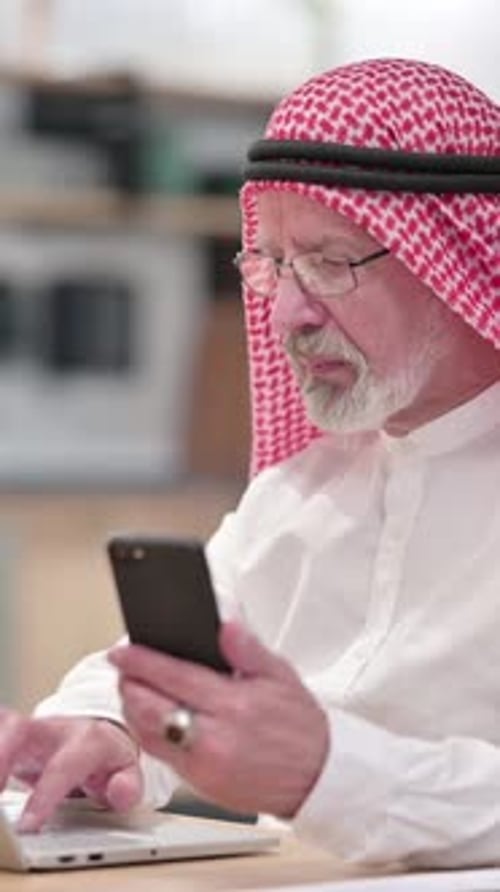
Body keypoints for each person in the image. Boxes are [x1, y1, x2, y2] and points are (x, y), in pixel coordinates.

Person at [1, 57, 499, 869]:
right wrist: (107, 730)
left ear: (456, 260)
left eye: (332, 262)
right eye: (272, 264)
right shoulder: (302, 488)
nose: (287, 314)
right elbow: (181, 675)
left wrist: (327, 773)